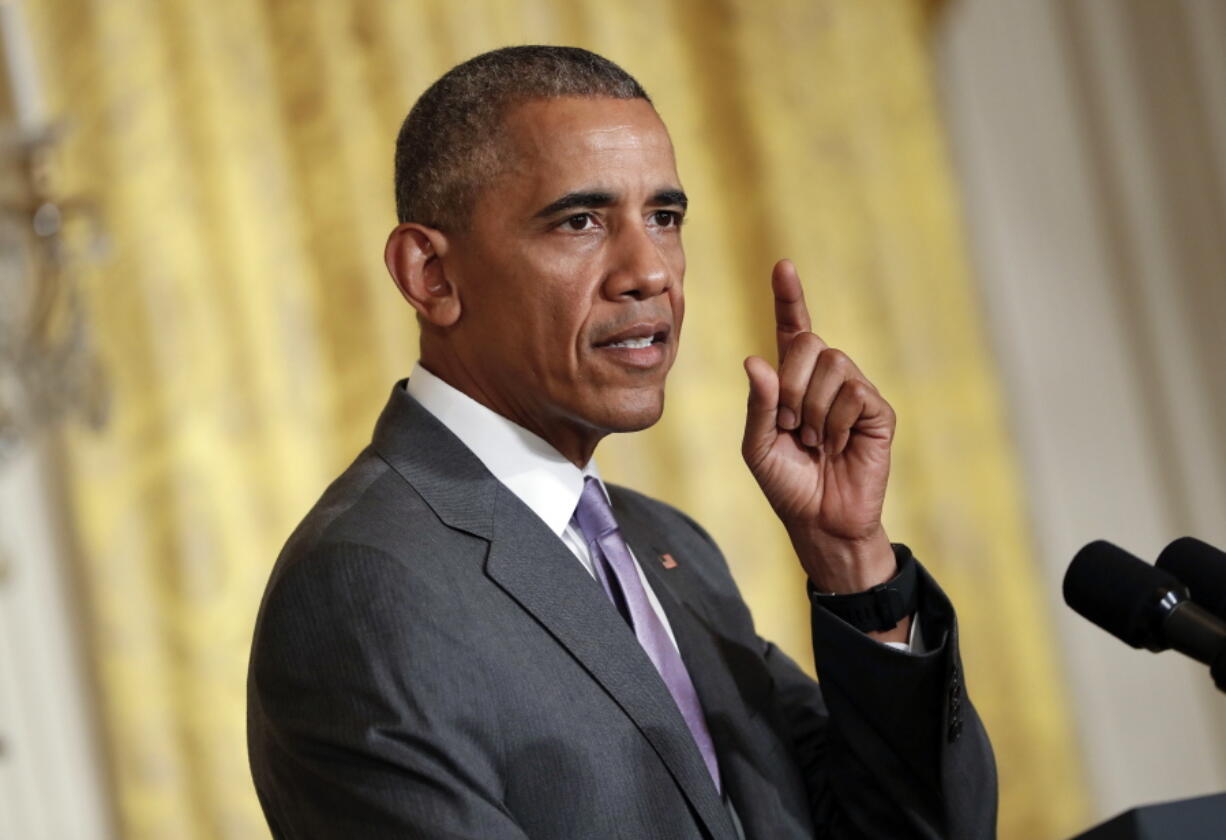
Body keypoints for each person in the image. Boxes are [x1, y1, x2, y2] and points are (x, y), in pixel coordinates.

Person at [247, 46, 996, 839]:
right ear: (431, 275)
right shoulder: (364, 584)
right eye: (581, 221)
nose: (649, 272)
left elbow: (923, 830)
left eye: (665, 219)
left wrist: (854, 564)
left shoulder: (671, 549)